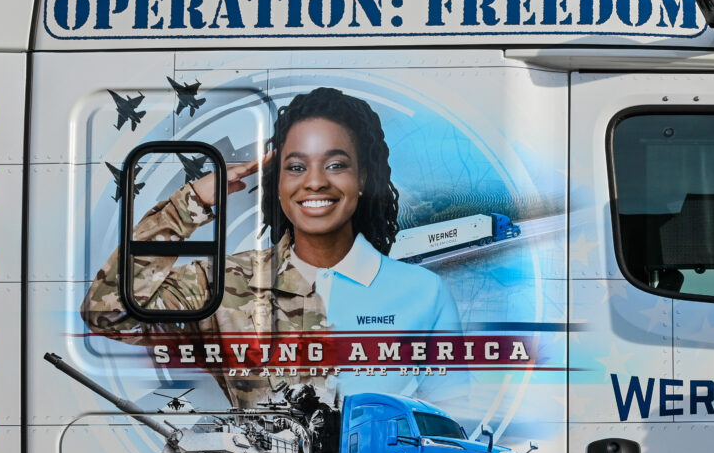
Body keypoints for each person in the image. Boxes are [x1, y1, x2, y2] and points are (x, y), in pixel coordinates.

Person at [84, 86, 461, 406]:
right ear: (277, 183)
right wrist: (190, 205)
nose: (314, 182)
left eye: (335, 165)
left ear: (362, 178)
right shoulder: (223, 282)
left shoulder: (424, 292)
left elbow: (447, 412)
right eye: (296, 167)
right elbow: (107, 313)